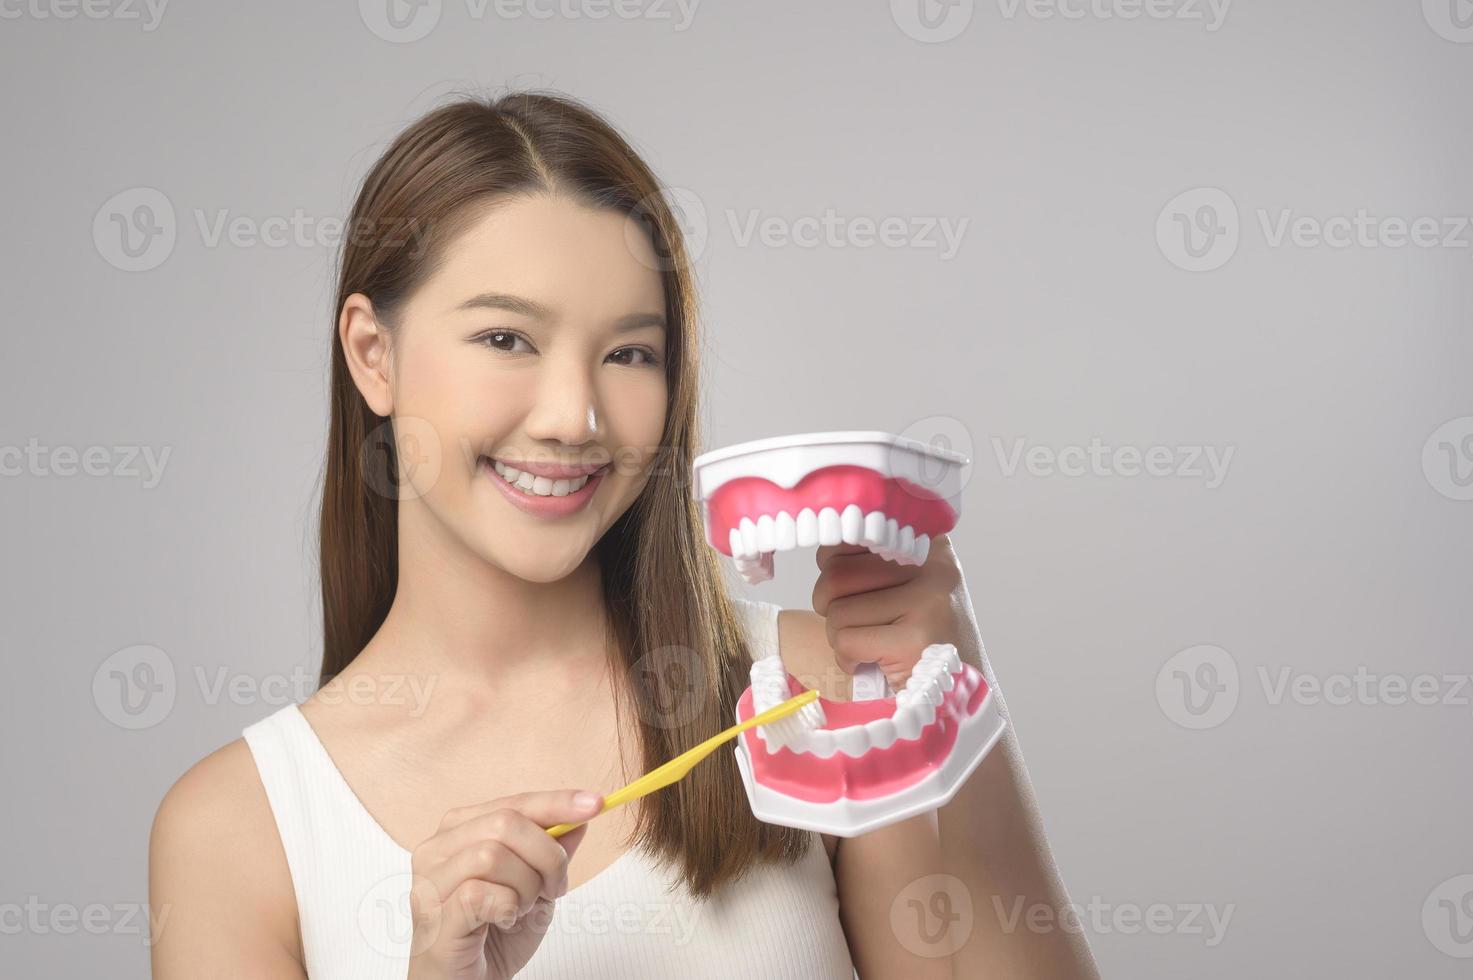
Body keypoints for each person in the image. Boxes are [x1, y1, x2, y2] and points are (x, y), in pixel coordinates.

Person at [148, 89, 1100, 980]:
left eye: (628, 354)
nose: (575, 417)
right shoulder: (234, 831)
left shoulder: (818, 696)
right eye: (506, 339)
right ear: (374, 356)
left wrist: (950, 700)